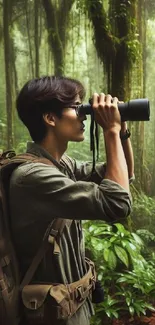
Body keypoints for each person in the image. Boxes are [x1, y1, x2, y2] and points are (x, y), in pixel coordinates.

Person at [9, 76, 134, 325]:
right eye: (77, 107)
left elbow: (124, 175)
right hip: (50, 316)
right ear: (50, 118)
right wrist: (110, 129)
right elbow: (118, 203)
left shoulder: (61, 165)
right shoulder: (33, 176)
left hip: (72, 308)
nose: (84, 115)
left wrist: (121, 130)